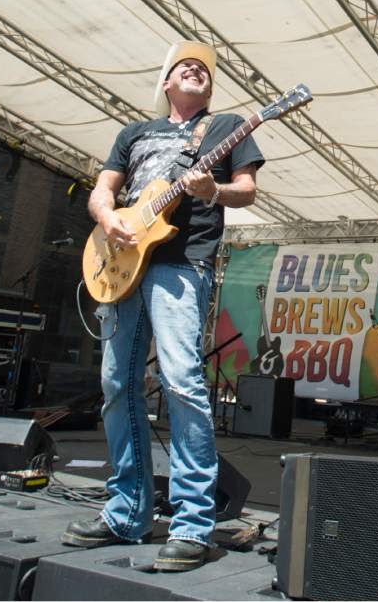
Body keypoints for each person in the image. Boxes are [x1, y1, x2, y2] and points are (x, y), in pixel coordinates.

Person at [61, 40, 263, 571]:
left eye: (204, 69)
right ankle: (125, 512)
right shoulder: (134, 133)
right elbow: (102, 192)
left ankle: (193, 522)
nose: (195, 69)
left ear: (210, 87)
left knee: (180, 383)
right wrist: (110, 221)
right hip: (123, 264)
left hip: (181, 266)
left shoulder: (226, 128)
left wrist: (212, 191)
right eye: (184, 66)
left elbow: (247, 189)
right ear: (167, 83)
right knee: (116, 386)